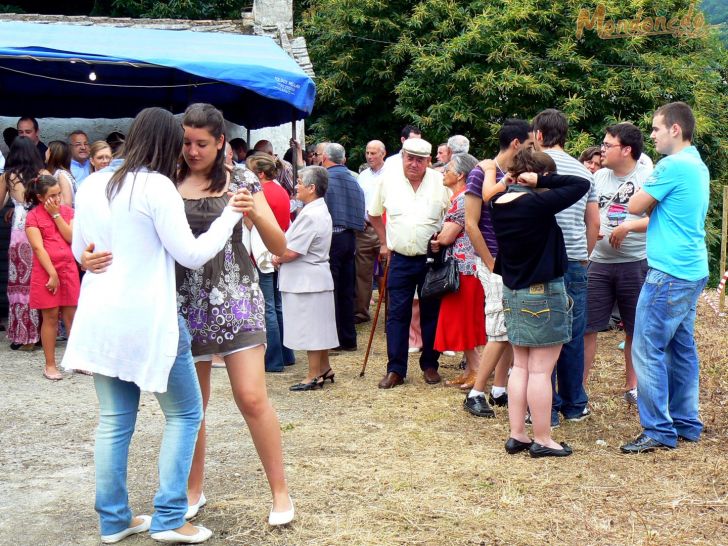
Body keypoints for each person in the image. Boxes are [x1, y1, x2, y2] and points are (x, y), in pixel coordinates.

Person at [61, 106, 252, 544]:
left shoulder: (92, 183)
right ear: (167, 144)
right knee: (185, 413)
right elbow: (191, 254)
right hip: (149, 317)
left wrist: (85, 259)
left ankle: (113, 519)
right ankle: (169, 517)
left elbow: (80, 248)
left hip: (100, 315)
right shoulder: (156, 187)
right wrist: (229, 215)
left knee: (114, 420)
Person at [175, 104, 293, 526]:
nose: (192, 151)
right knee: (192, 406)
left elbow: (279, 246)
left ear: (221, 141)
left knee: (251, 397)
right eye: (187, 142)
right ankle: (192, 489)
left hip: (237, 298)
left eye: (201, 143)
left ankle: (281, 493)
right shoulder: (169, 179)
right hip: (183, 302)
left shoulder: (242, 179)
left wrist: (256, 212)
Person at [620, 102, 710, 454]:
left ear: (675, 129)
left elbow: (634, 205)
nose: (652, 135)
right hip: (692, 268)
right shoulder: (697, 164)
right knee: (681, 347)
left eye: (656, 129)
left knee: (646, 347)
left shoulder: (672, 165)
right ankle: (686, 422)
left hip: (669, 272)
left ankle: (658, 429)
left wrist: (650, 199)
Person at [489, 149, 590, 457]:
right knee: (540, 372)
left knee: (520, 366)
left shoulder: (497, 202)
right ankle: (543, 438)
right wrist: (543, 179)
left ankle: (517, 434)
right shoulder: (536, 203)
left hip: (514, 292)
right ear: (534, 177)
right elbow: (580, 183)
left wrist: (514, 180)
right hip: (543, 292)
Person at [531, 108, 598, 427]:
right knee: (573, 331)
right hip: (575, 260)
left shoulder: (535, 168)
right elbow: (593, 221)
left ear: (539, 135)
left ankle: (548, 407)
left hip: (543, 260)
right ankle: (575, 403)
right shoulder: (586, 172)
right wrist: (584, 256)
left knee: (544, 332)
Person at [463, 119, 532, 417]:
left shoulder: (512, 175)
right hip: (494, 262)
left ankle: (499, 388)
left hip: (513, 261)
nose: (534, 150)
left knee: (509, 327)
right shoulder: (481, 172)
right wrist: (490, 262)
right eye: (530, 145)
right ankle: (475, 392)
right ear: (516, 144)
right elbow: (470, 224)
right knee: (499, 329)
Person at [369, 137, 450, 388]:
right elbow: (373, 214)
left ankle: (430, 364)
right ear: (402, 156)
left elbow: (453, 213)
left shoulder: (440, 181)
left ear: (428, 161)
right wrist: (384, 242)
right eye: (409, 158)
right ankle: (396, 369)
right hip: (400, 258)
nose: (414, 164)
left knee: (431, 313)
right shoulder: (387, 180)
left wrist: (444, 239)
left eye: (420, 159)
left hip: (431, 258)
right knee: (396, 315)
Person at [583, 123, 652, 406]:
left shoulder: (648, 177)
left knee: (635, 328)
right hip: (598, 262)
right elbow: (589, 215)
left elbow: (658, 220)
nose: (602, 150)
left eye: (608, 145)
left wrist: (628, 228)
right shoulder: (598, 177)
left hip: (635, 262)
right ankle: (579, 388)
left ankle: (632, 387)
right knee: (587, 327)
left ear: (626, 150)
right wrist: (593, 230)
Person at [273, 166, 339, 390]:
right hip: (313, 278)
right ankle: (324, 368)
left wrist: (277, 258)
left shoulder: (311, 214)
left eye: (300, 181)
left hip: (307, 281)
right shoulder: (317, 210)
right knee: (319, 327)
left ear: (312, 188)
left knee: (312, 329)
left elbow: (293, 251)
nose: (296, 185)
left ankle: (312, 375)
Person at [430, 153, 483, 385]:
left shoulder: (462, 200)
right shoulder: (464, 197)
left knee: (464, 319)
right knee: (466, 319)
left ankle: (478, 370)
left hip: (464, 268)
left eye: (448, 168)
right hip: (467, 267)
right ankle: (471, 370)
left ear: (460, 175)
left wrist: (438, 239)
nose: (444, 171)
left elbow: (448, 235)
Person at [25, 175, 79, 380]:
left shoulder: (67, 212)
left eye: (59, 194)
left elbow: (71, 237)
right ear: (40, 197)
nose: (57, 199)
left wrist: (56, 215)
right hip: (47, 271)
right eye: (52, 196)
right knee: (50, 317)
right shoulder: (33, 217)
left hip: (68, 268)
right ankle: (50, 364)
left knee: (71, 314)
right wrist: (52, 273)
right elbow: (38, 248)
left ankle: (77, 360)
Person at [245, 152, 296, 373]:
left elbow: (249, 223)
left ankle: (273, 359)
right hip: (278, 250)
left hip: (262, 252)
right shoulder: (282, 191)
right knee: (277, 305)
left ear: (260, 173)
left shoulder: (260, 193)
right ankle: (286, 354)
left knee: (267, 308)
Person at [0, 137, 45, 350]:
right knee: (41, 279)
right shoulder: (43, 175)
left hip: (20, 231)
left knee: (19, 282)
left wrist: (15, 205)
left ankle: (22, 334)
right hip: (42, 229)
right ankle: (42, 332)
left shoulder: (7, 177)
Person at [321, 142, 366, 350]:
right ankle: (348, 338)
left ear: (324, 157)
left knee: (333, 289)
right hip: (350, 237)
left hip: (332, 238)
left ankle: (336, 339)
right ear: (344, 159)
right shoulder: (354, 179)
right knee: (347, 289)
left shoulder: (326, 178)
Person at [354, 140, 386, 323]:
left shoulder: (393, 174)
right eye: (367, 153)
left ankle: (391, 313)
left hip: (386, 228)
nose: (370, 156)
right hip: (365, 229)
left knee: (389, 272)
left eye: (374, 153)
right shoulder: (363, 176)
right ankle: (361, 312)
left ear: (383, 153)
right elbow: (358, 200)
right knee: (362, 273)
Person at [45, 140, 77, 206]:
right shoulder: (58, 173)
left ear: (51, 154)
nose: (45, 153)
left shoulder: (61, 175)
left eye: (47, 150)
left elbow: (67, 202)